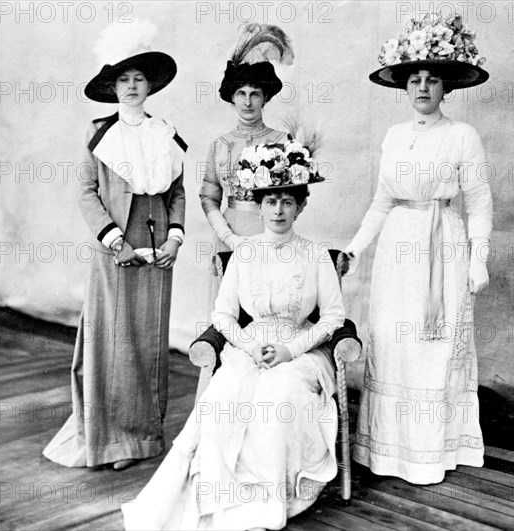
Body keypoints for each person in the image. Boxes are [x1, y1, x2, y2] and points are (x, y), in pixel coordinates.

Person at [122, 152, 342, 530]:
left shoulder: (316, 254)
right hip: (249, 347)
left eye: (287, 201)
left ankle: (269, 501)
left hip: (298, 349)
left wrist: (291, 349)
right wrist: (248, 346)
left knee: (278, 401)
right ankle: (222, 500)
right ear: (258, 206)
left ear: (301, 206)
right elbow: (222, 315)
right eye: (271, 201)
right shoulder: (245, 253)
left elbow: (335, 316)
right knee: (221, 401)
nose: (278, 211)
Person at [345, 13, 493, 485]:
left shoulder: (462, 135)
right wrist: (352, 251)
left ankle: (430, 452)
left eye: (432, 80)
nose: (424, 87)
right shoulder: (393, 136)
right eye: (415, 79)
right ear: (405, 87)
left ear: (445, 88)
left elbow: (479, 201)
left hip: (442, 246)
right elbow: (381, 202)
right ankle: (390, 451)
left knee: (435, 343)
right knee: (393, 342)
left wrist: (478, 259)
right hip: (396, 251)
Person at [43, 19, 187, 471]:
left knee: (148, 339)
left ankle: (144, 436)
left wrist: (176, 236)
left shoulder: (166, 134)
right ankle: (111, 440)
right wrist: (113, 239)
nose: (131, 87)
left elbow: (177, 192)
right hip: (115, 249)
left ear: (150, 86)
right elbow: (86, 193)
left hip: (158, 246)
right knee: (113, 340)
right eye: (123, 80)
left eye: (138, 79)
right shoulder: (99, 134)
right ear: (112, 87)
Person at [200, 23, 294, 252]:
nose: (247, 101)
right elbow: (209, 198)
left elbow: (298, 197)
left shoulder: (283, 140)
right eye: (241, 93)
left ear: (265, 99)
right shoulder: (219, 145)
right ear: (232, 98)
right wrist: (228, 237)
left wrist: (277, 230)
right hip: (228, 235)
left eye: (255, 94)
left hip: (271, 235)